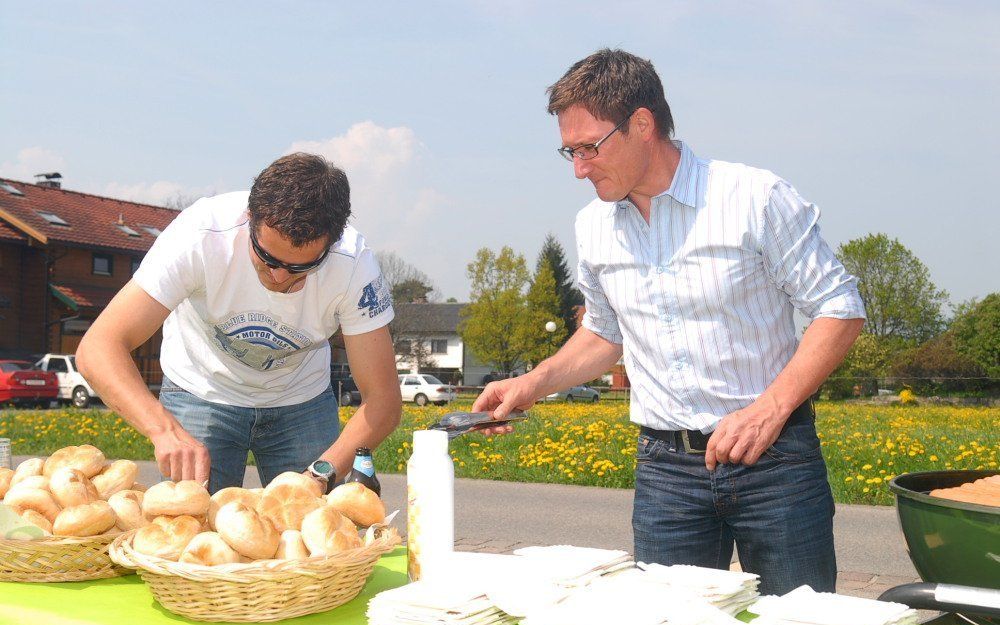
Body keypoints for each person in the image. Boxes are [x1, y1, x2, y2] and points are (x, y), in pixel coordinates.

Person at [473, 50, 866, 595]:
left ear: (642, 124)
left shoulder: (754, 198)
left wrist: (770, 409)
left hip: (776, 459)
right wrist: (532, 382)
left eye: (589, 148)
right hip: (667, 473)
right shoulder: (593, 227)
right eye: (570, 151)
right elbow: (605, 332)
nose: (579, 168)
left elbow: (838, 307)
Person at [77, 153, 401, 494]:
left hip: (301, 398)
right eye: (267, 257)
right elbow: (98, 347)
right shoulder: (200, 235)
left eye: (300, 267)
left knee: (313, 521)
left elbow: (383, 400)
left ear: (331, 244)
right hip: (201, 388)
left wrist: (321, 474)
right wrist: (163, 430)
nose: (279, 276)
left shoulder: (354, 265)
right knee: (190, 520)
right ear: (250, 218)